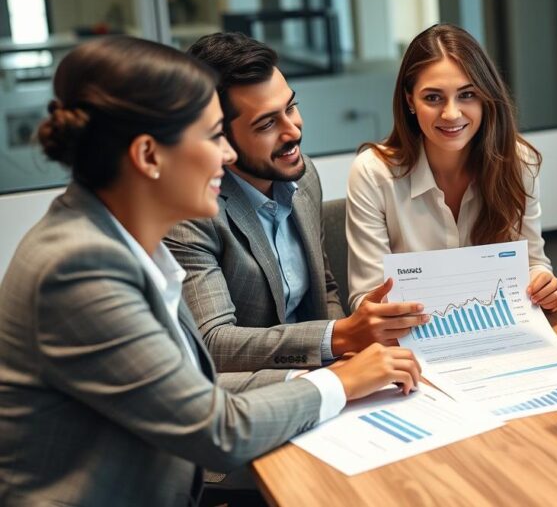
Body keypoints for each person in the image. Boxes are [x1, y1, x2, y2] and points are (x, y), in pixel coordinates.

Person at [0, 36, 421, 506]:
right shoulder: (77, 269)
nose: (226, 155)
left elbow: (196, 388)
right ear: (148, 156)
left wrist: (332, 371)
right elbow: (216, 428)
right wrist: (340, 381)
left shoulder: (123, 243)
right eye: (212, 136)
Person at [165, 33, 426, 389]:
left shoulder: (303, 180)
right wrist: (340, 337)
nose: (293, 130)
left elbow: (325, 288)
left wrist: (351, 356)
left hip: (322, 377)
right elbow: (213, 343)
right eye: (267, 124)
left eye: (290, 107)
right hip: (250, 394)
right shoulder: (190, 210)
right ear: (218, 137)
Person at [346, 24, 557, 312]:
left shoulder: (517, 162)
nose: (451, 113)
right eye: (433, 97)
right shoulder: (373, 173)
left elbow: (533, 263)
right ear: (410, 100)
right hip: (410, 337)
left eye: (467, 95)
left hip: (496, 328)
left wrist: (542, 282)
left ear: (486, 97)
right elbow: (366, 300)